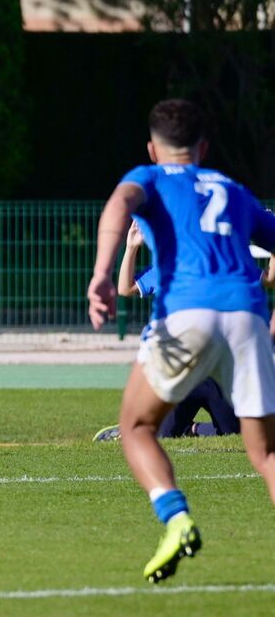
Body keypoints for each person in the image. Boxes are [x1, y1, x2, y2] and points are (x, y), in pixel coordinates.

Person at [87, 99, 275, 584]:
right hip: (248, 316)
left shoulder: (149, 178)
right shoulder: (233, 190)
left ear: (153, 149)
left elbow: (119, 204)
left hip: (188, 312)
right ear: (204, 147)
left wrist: (102, 273)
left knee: (134, 426)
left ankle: (176, 519)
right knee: (266, 453)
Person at [93, 221, 240, 441]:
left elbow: (268, 278)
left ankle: (194, 429)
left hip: (217, 374)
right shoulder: (168, 269)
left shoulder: (226, 268)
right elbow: (125, 289)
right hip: (182, 374)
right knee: (162, 436)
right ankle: (132, 428)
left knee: (240, 434)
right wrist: (132, 247)